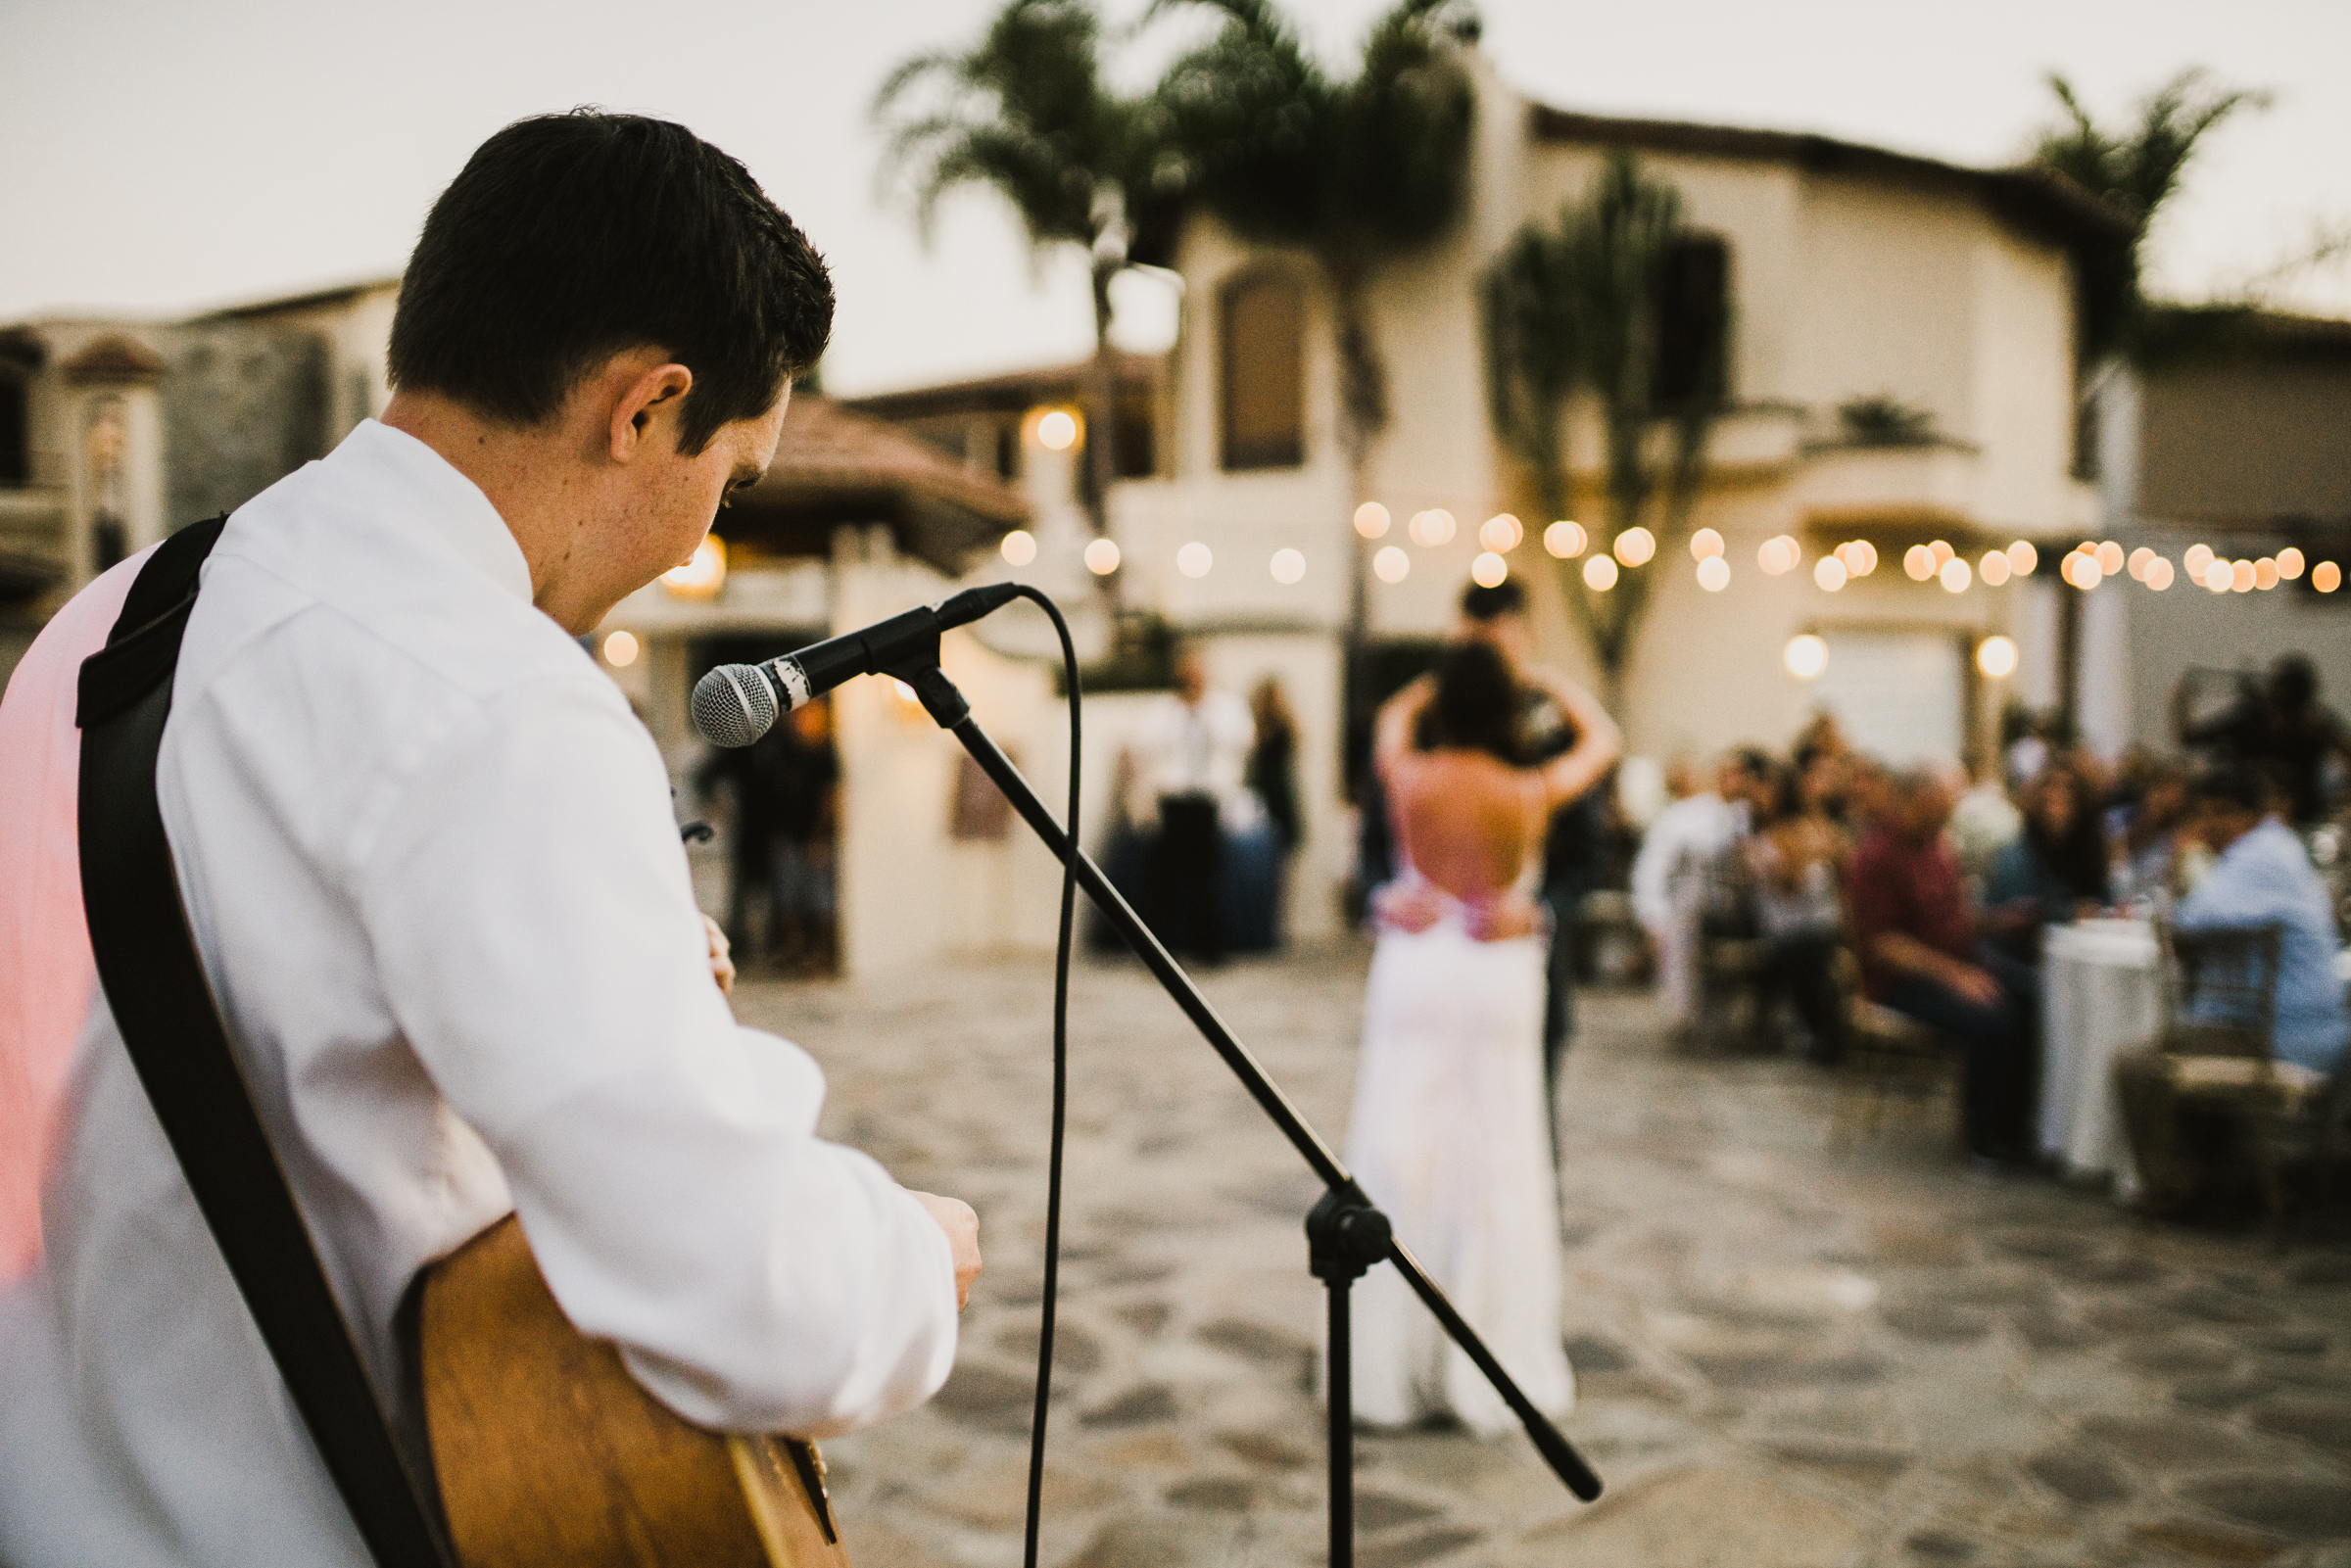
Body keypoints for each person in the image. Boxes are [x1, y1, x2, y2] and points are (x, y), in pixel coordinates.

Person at [0, 114, 980, 1565]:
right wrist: (908, 1254)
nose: (708, 528)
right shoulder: (498, 703)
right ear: (646, 409)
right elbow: (744, 1290)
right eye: (735, 475)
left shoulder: (111, 621)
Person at [1341, 641, 1614, 1434]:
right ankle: (1484, 1358)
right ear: (1506, 708)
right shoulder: (1529, 787)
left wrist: (1438, 683)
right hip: (1496, 963)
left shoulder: (1410, 775)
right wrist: (1540, 673)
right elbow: (1601, 738)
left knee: (1398, 1152)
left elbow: (1392, 719)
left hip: (1420, 962)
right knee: (1498, 1159)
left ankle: (1392, 1363)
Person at [2113, 764, 2351, 1213]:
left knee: (2135, 1064)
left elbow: (2190, 920)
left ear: (2230, 815)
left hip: (2280, 1038)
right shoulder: (2283, 848)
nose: (2204, 828)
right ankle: (2211, 1176)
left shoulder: (2256, 856)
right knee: (2179, 1039)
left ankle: (2178, 1183)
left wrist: (2184, 855)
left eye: (2208, 817)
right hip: (2317, 1029)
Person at [1846, 770, 2040, 1163]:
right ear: (1916, 800)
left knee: (2031, 994)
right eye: (1941, 808)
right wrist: (1956, 976)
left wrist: (1996, 920)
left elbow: (1952, 919)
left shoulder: (1936, 844)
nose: (1947, 818)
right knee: (1991, 1016)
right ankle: (1982, 1137)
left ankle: (2019, 1125)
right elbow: (1884, 945)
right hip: (1901, 982)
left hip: (1956, 960)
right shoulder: (1876, 857)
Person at [1124, 643, 1263, 961]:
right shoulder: (1162, 710)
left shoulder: (1225, 708)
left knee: (1207, 877)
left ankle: (1208, 945)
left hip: (1207, 801)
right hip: (1172, 801)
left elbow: (1244, 741)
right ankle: (1159, 946)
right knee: (1165, 878)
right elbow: (1142, 747)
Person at [1630, 749, 1770, 1029]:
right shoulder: (1685, 816)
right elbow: (1652, 868)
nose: (1736, 781)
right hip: (1693, 915)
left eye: (1743, 775)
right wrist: (1652, 918)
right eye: (1729, 773)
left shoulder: (1763, 818)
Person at [1745, 764, 1847, 1063]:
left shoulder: (1799, 828)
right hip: (1780, 923)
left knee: (1809, 953)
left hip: (1808, 919)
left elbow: (1793, 879)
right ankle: (1821, 1033)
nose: (1758, 794)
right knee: (1806, 954)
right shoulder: (1763, 831)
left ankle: (1821, 1033)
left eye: (1766, 787)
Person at [2175, 654, 2351, 826]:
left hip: (2300, 820)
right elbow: (2189, 737)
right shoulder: (2251, 718)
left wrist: (2337, 797)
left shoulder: (2314, 727)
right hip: (2244, 819)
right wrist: (2181, 700)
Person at [1982, 757, 2110, 961]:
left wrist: (2109, 911)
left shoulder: (2086, 849)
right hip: (2018, 963)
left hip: (2075, 954)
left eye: (2065, 802)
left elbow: (2103, 897)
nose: (2055, 811)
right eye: (2050, 802)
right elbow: (2022, 916)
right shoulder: (2017, 854)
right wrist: (2070, 913)